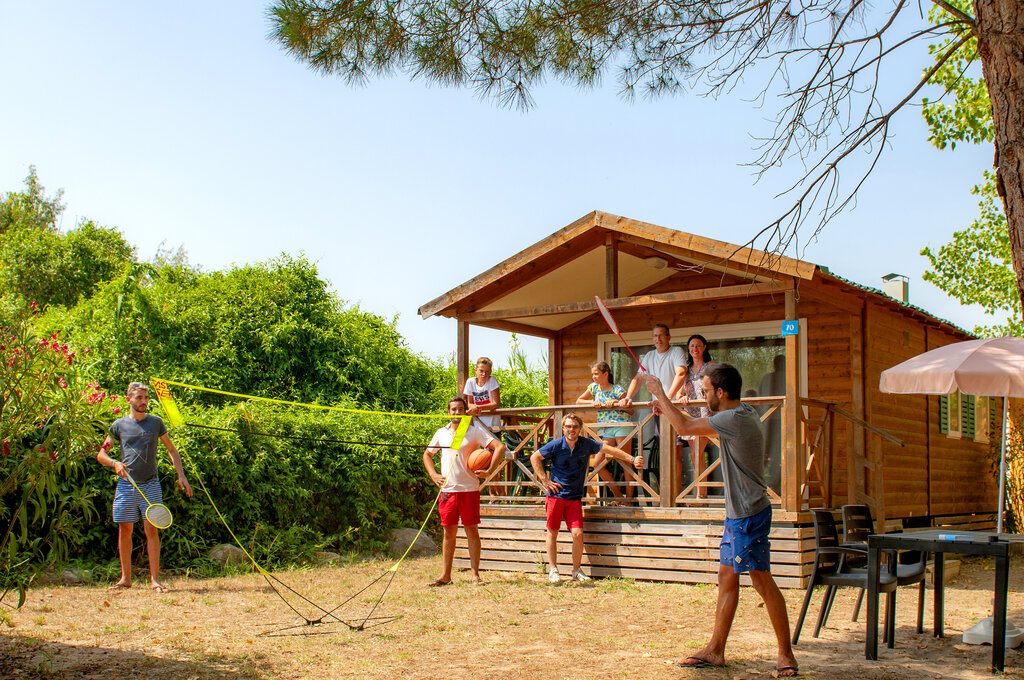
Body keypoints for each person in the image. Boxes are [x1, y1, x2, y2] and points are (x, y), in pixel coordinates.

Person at [645, 366, 798, 677]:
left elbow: (686, 424)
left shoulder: (733, 419)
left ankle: (786, 655)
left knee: (760, 581)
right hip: (738, 515)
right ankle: (715, 650)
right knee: (727, 579)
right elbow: (691, 421)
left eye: (706, 391)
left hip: (748, 514)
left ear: (721, 393)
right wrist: (669, 406)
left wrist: (661, 393)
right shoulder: (741, 413)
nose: (703, 396)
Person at [96, 381, 193, 593]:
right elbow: (101, 454)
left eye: (146, 398)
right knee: (125, 529)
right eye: (139, 398)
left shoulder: (156, 423)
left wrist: (181, 475)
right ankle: (125, 579)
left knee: (152, 529)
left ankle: (155, 580)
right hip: (126, 484)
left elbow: (172, 450)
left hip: (150, 484)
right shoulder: (118, 425)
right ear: (128, 399)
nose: (143, 402)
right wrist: (115, 463)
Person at [530, 413, 643, 583]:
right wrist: (545, 481)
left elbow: (608, 449)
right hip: (556, 496)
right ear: (563, 428)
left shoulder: (585, 444)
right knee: (552, 532)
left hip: (574, 497)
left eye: (575, 427)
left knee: (577, 534)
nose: (571, 430)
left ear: (580, 429)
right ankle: (553, 570)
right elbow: (534, 457)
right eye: (568, 426)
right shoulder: (556, 445)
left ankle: (576, 570)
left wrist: (632, 459)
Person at [423, 396, 507, 586]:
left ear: (465, 411)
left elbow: (500, 447)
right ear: (448, 412)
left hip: (469, 489)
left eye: (460, 409)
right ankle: (445, 576)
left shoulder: (474, 431)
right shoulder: (441, 433)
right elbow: (427, 455)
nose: (456, 412)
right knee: (448, 533)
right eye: (453, 409)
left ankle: (475, 575)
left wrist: (489, 470)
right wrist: (434, 475)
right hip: (448, 490)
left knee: (472, 531)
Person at [576, 361, 634, 503]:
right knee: (597, 463)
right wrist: (592, 402)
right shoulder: (594, 388)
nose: (594, 377)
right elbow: (579, 401)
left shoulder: (617, 390)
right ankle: (619, 497)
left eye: (596, 374)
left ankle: (630, 500)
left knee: (625, 461)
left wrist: (615, 402)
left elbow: (631, 410)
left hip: (622, 426)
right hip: (606, 429)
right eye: (593, 374)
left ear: (606, 374)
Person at [679, 334, 717, 495]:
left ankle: (700, 494)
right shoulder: (685, 370)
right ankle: (701, 494)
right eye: (692, 346)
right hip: (691, 416)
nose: (695, 349)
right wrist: (683, 397)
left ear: (704, 348)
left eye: (698, 345)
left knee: (696, 453)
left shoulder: (711, 366)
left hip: (707, 414)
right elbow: (679, 393)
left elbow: (719, 386)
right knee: (697, 455)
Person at [622, 324, 687, 406]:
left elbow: (681, 373)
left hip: (674, 405)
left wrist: (667, 399)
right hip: (658, 406)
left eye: (661, 335)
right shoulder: (649, 356)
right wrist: (628, 397)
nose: (658, 339)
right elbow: (638, 379)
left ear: (669, 337)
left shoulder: (676, 351)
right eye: (655, 336)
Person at [463, 357, 501, 430]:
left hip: (492, 424)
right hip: (477, 423)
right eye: (481, 371)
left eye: (487, 371)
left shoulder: (492, 380)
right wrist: (473, 407)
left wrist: (477, 407)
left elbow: (496, 403)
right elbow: (469, 403)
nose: (484, 374)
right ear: (476, 370)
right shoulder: (470, 382)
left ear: (490, 372)